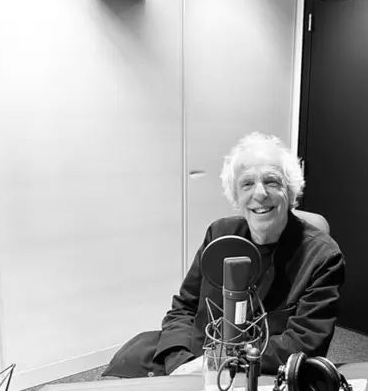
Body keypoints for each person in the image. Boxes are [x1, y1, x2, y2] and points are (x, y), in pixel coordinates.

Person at [103, 132, 345, 378]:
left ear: (291, 191)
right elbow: (184, 307)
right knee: (120, 375)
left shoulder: (322, 257)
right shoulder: (219, 233)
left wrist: (217, 362)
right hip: (192, 355)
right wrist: (179, 362)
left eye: (272, 181)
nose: (260, 193)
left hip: (257, 370)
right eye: (247, 183)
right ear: (236, 197)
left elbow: (304, 345)